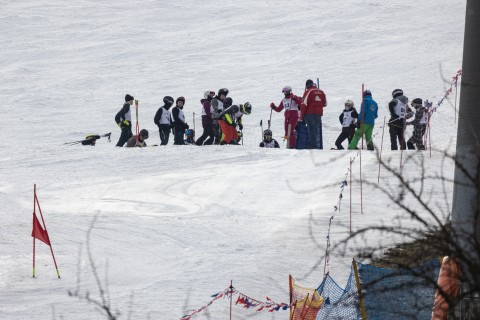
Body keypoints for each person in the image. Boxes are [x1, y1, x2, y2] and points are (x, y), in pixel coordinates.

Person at [300, 79, 327, 149]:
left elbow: (303, 105)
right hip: (318, 114)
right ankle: (319, 146)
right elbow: (325, 103)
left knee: (311, 130)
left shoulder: (308, 91)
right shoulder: (321, 91)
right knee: (317, 130)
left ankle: (313, 146)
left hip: (309, 114)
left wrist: (301, 117)